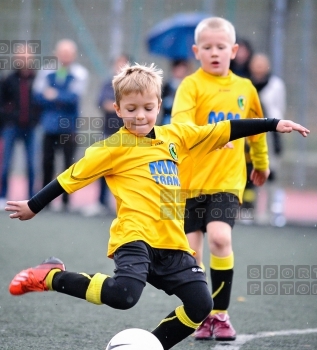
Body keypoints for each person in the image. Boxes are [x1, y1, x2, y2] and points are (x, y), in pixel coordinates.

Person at [5, 63, 309, 350]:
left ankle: (154, 344)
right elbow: (69, 178)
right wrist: (33, 205)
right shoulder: (111, 148)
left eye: (148, 108)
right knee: (123, 296)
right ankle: (52, 276)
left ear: (159, 105)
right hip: (134, 236)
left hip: (172, 242)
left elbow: (224, 129)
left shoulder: (175, 136)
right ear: (118, 108)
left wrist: (273, 124)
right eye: (131, 109)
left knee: (201, 305)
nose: (140, 116)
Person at [171, 17, 270, 341]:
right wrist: (213, 136)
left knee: (219, 238)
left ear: (235, 50)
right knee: (191, 252)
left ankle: (221, 314)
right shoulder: (190, 85)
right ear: (196, 51)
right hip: (191, 182)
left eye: (221, 47)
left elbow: (257, 128)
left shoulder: (245, 88)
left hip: (227, 181)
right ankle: (201, 314)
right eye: (208, 48)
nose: (215, 53)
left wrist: (261, 163)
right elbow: (181, 128)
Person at [33, 39, 89, 211]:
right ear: (56, 53)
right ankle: (46, 201)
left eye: (68, 53)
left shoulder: (80, 73)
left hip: (69, 128)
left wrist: (54, 95)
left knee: (68, 165)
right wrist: (60, 97)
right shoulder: (46, 71)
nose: (65, 56)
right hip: (49, 126)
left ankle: (66, 201)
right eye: (62, 52)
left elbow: (73, 98)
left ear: (73, 55)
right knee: (47, 163)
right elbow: (38, 96)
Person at [81, 54, 131, 217]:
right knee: (103, 168)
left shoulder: (133, 84)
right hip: (109, 133)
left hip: (129, 135)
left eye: (123, 64)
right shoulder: (107, 84)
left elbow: (130, 106)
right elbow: (103, 103)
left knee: (127, 171)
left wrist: (120, 107)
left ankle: (126, 204)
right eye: (118, 64)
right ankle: (101, 202)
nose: (120, 67)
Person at [249, 53, 287, 227]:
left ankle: (274, 210)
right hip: (253, 133)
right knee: (254, 173)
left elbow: (279, 108)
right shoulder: (247, 85)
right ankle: (256, 211)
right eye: (256, 64)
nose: (258, 68)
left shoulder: (275, 85)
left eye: (261, 65)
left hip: (271, 134)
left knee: (272, 173)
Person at [0, 48, 40, 209]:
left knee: (31, 164)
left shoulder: (37, 79)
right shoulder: (8, 80)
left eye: (27, 57)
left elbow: (40, 102)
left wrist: (35, 119)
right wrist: (9, 118)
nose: (24, 60)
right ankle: (2, 196)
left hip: (30, 128)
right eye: (21, 57)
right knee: (6, 163)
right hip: (11, 127)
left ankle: (32, 199)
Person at [230, 38, 257, 214]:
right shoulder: (226, 73)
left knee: (249, 168)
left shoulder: (250, 78)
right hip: (230, 130)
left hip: (247, 130)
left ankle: (247, 207)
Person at [160, 59, 191, 125]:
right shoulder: (167, 86)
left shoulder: (187, 86)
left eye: (184, 71)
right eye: (179, 70)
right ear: (174, 69)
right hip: (168, 119)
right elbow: (165, 104)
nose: (181, 73)